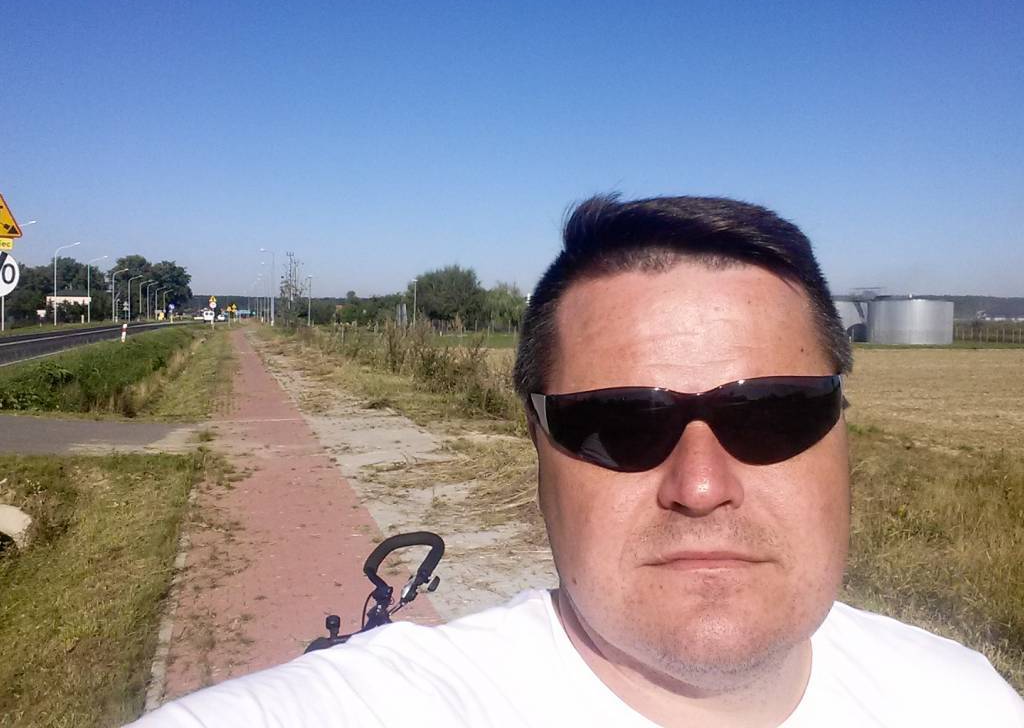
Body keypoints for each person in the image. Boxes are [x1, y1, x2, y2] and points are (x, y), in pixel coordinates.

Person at [131, 195, 1024, 727]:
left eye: (772, 414)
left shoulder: (966, 700)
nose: (701, 487)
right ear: (537, 445)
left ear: (841, 430)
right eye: (619, 425)